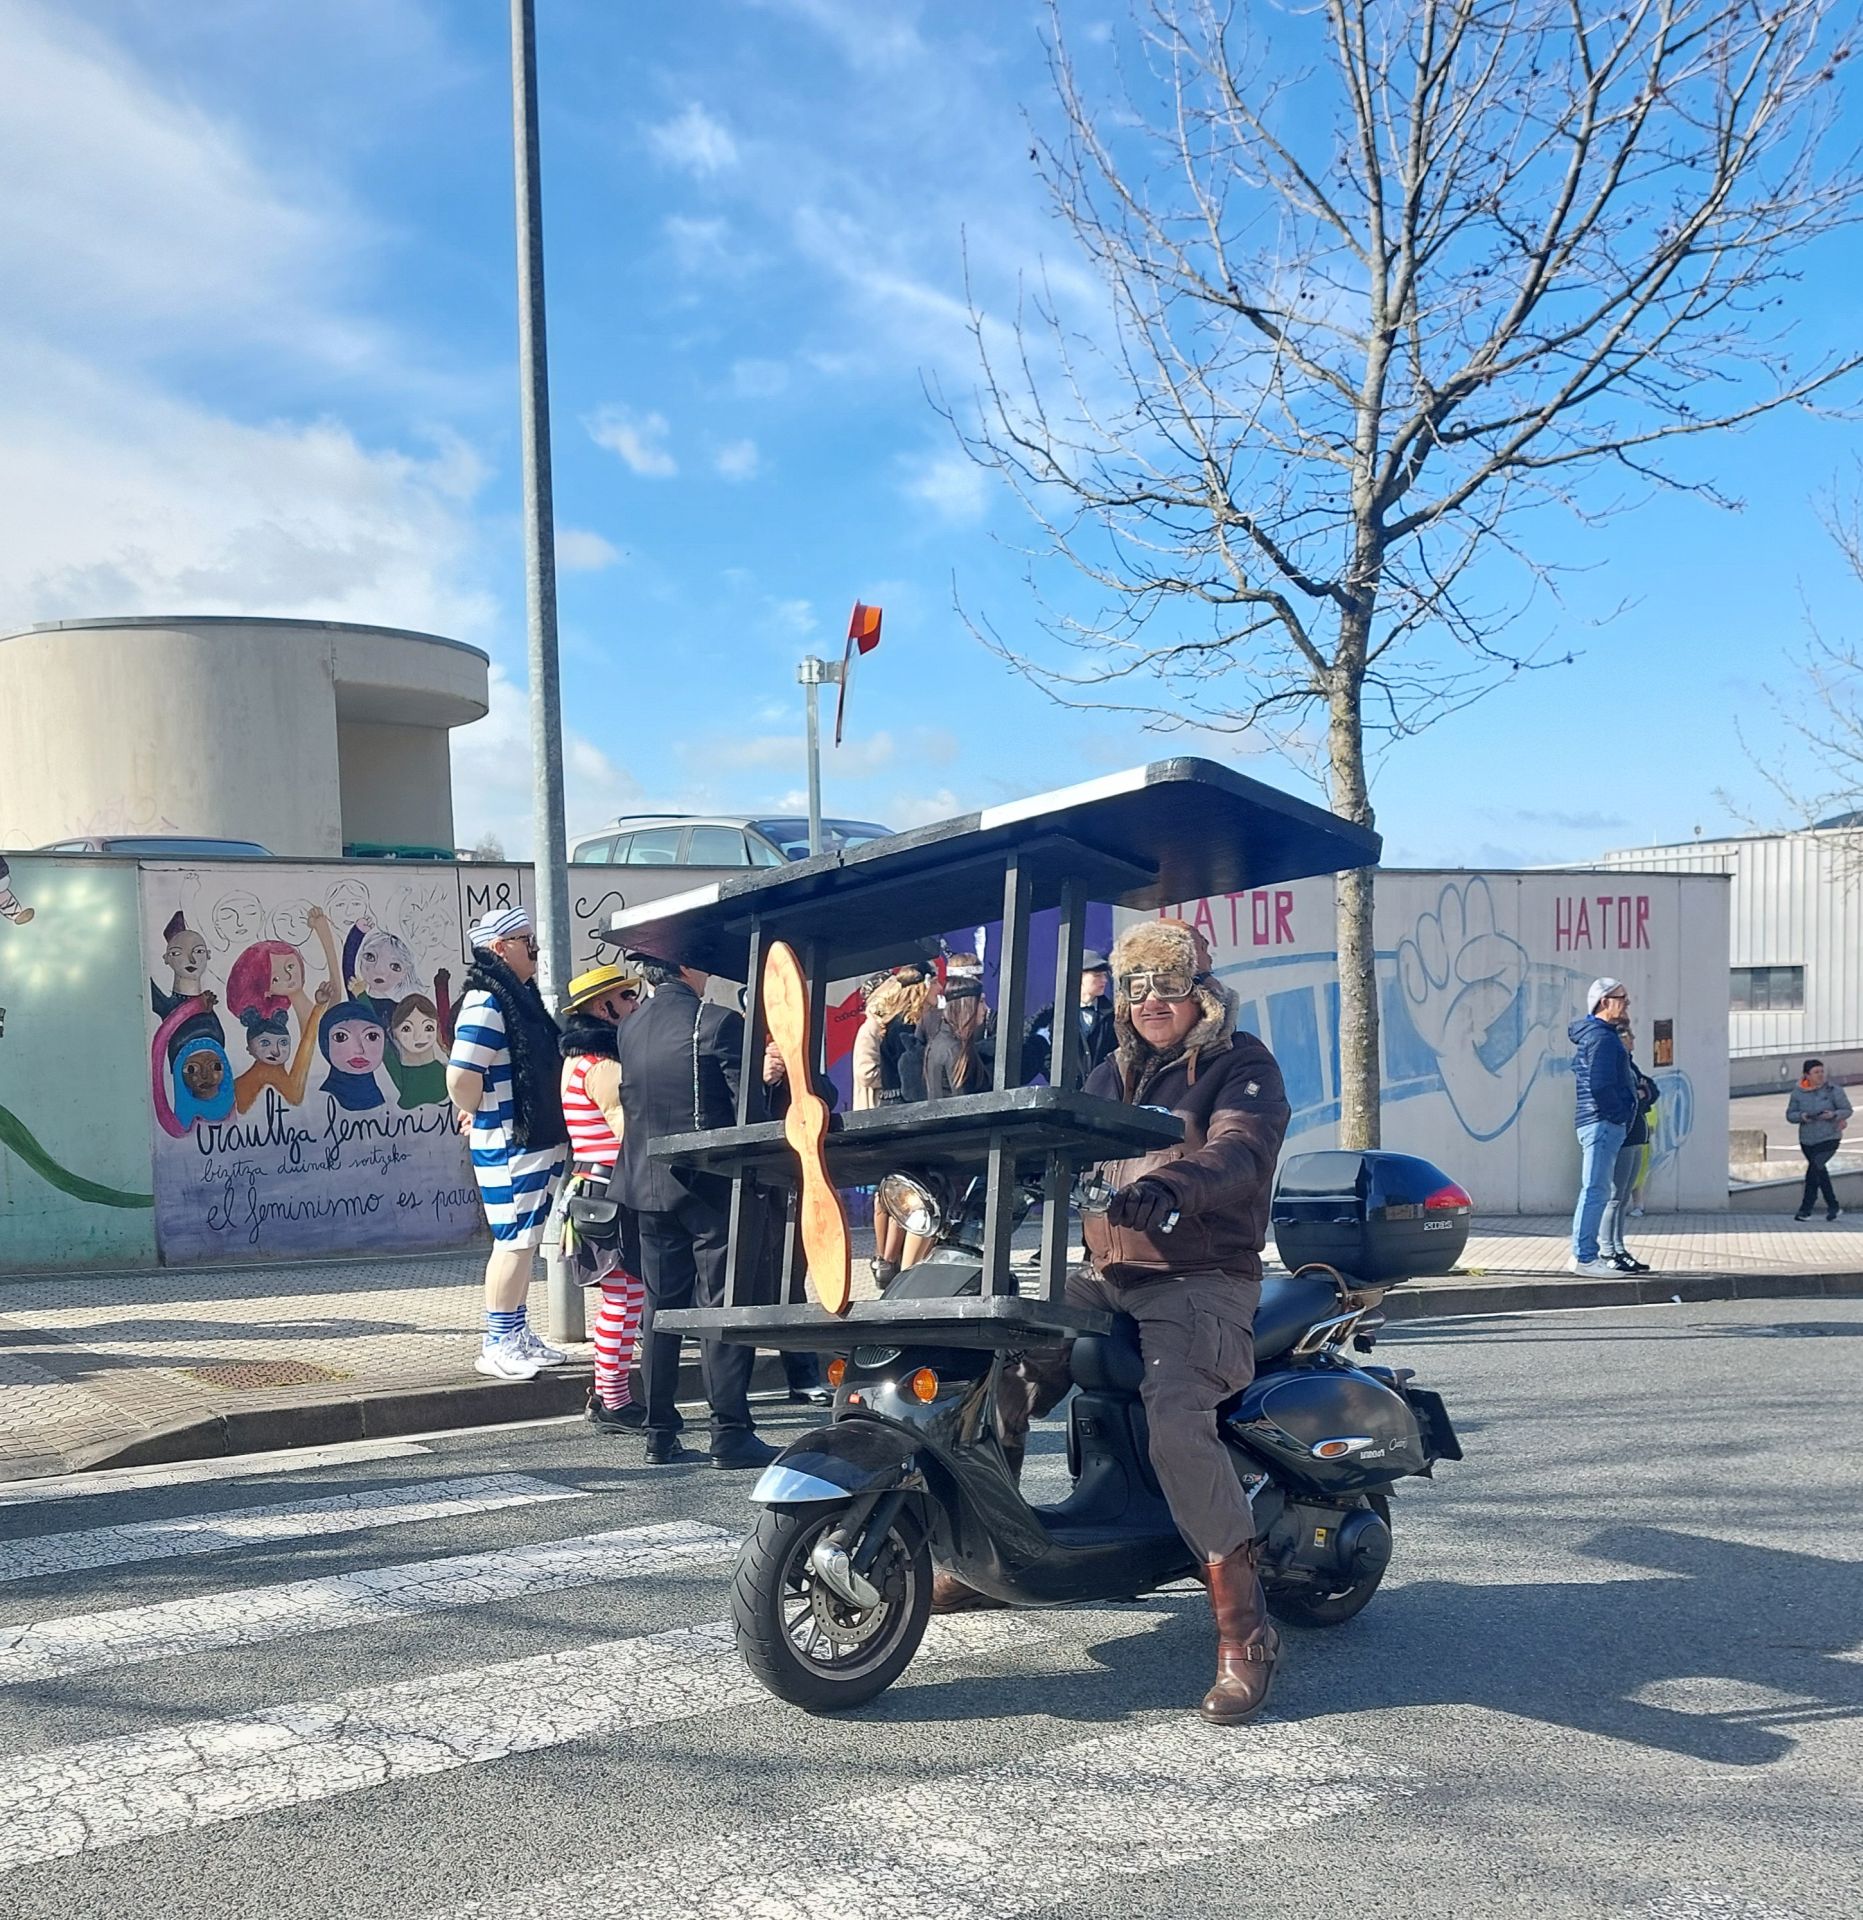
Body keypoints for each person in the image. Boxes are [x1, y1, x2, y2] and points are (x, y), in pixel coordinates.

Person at [933, 917, 1293, 1727]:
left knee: (1176, 1418)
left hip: (1200, 1275)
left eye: (1167, 985)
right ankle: (992, 1554)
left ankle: (1246, 1635)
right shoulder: (1109, 1072)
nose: (1150, 1000)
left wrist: (1171, 1185)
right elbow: (1053, 1143)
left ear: (1200, 993)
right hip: (1107, 1274)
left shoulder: (1241, 1065)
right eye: (1136, 987)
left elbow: (1240, 1151)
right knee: (999, 1366)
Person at [610, 944, 782, 1469]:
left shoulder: (630, 1027)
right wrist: (770, 1084)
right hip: (712, 1183)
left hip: (646, 1183)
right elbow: (749, 1114)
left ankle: (659, 1432)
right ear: (685, 968)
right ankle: (729, 1431)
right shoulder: (718, 1022)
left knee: (659, 1308)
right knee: (722, 1304)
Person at [446, 907, 570, 1381]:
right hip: (508, 1139)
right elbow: (461, 1075)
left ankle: (515, 1332)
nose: (535, 949)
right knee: (514, 1240)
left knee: (525, 1238)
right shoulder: (487, 1000)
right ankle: (497, 1342)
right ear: (500, 948)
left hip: (530, 1136)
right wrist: (477, 1110)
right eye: (526, 941)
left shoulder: (514, 995)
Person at [557, 961, 647, 1434]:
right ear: (601, 1007)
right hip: (613, 1189)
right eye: (626, 997)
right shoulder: (604, 1067)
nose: (634, 1003)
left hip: (591, 1188)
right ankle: (614, 1401)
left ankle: (607, 1393)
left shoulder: (578, 1062)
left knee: (622, 1297)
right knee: (625, 1297)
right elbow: (628, 1133)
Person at [1568, 978, 1635, 1276]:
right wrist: (1618, 1113)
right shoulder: (1602, 1038)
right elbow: (1599, 1083)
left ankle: (1582, 1255)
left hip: (1598, 1121)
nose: (1627, 1003)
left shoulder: (1597, 1035)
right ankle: (1585, 1257)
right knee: (1596, 1189)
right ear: (1605, 1002)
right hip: (1601, 1122)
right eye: (1622, 998)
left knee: (1596, 1188)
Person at [1598, 1021, 1657, 1274]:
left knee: (1623, 1198)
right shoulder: (1616, 1065)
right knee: (1614, 1196)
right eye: (1628, 1036)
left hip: (1637, 1136)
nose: (1633, 1039)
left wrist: (1643, 1094)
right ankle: (1607, 1249)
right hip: (1624, 1135)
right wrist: (1638, 1096)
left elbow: (1651, 1089)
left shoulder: (1631, 1065)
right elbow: (1627, 1096)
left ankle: (1619, 1247)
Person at [1021, 950, 1118, 1088]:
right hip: (1067, 1093)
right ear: (1078, 977)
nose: (1104, 980)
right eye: (1097, 975)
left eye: (1104, 975)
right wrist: (1058, 1077)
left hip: (1101, 1091)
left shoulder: (1112, 1015)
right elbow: (1034, 1045)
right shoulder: (1052, 1013)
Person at [1787, 1058, 1851, 1222]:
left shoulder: (1833, 1090)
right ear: (1806, 1075)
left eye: (1822, 1071)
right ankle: (1834, 1206)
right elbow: (1790, 1115)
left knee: (1813, 1171)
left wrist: (1834, 1115)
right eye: (1816, 1072)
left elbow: (1847, 1109)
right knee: (1820, 1172)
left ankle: (1805, 1210)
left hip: (1829, 1137)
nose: (1820, 1075)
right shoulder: (1797, 1093)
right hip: (1807, 1139)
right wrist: (1802, 1116)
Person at [924, 953, 993, 1100]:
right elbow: (964, 1105)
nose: (986, 1009)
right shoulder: (953, 1049)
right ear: (968, 1006)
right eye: (981, 1002)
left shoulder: (947, 1041)